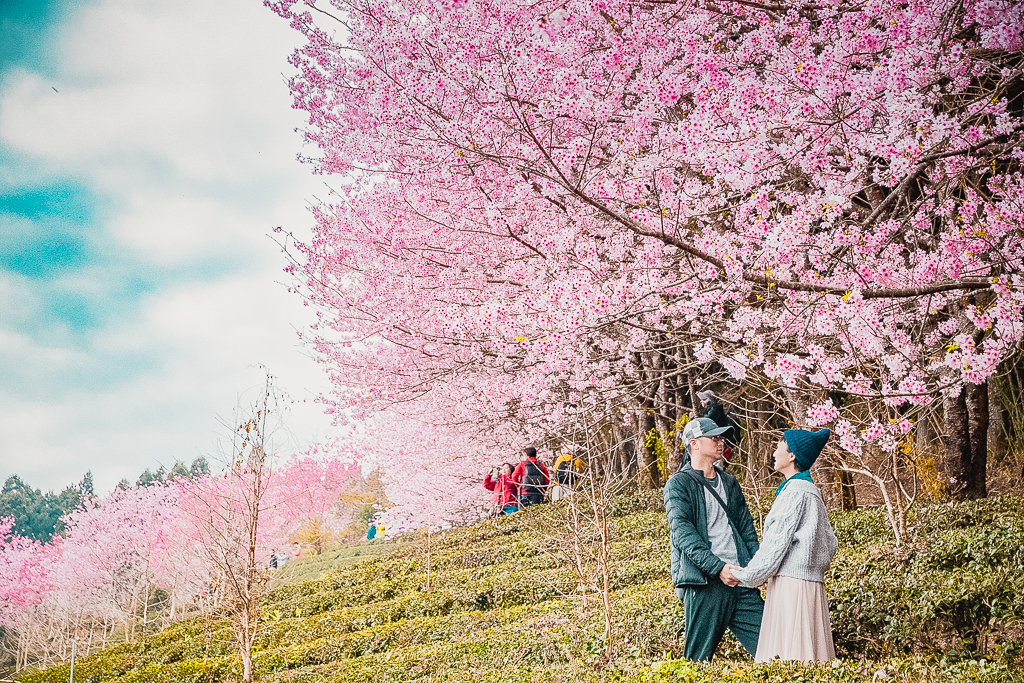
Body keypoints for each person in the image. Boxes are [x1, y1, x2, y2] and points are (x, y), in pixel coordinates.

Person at [727, 429, 839, 663]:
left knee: (790, 657)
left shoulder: (794, 493)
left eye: (779, 446)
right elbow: (830, 543)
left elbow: (775, 546)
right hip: (810, 584)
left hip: (791, 585)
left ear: (792, 456)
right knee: (811, 656)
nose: (774, 452)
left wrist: (745, 576)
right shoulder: (810, 491)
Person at [663, 417, 764, 662]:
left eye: (722, 437)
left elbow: (746, 529)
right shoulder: (679, 484)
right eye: (715, 438)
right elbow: (683, 534)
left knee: (772, 649)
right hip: (705, 584)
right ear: (694, 444)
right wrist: (717, 568)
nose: (721, 442)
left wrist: (758, 568)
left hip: (741, 580)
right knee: (698, 661)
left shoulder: (729, 482)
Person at [697, 390, 741, 464]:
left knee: (716, 466)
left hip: (719, 446)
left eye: (702, 400)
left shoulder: (714, 411)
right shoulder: (714, 410)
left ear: (707, 401)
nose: (701, 402)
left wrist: (693, 420)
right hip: (719, 445)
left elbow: (703, 424)